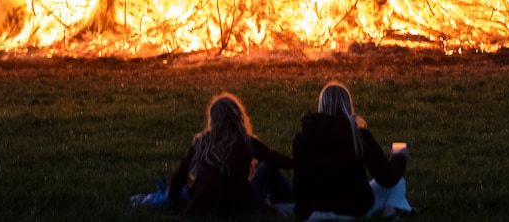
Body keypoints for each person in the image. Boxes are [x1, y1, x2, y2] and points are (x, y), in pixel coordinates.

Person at [144, 93, 294, 217]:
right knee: (267, 166)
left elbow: (181, 172)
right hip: (240, 209)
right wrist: (300, 161)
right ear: (238, 118)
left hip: (202, 207)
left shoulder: (202, 142)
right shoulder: (245, 141)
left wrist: (172, 196)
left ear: (213, 119)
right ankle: (295, 200)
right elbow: (276, 159)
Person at [293, 82, 410, 220]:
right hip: (354, 210)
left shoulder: (302, 138)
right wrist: (399, 157)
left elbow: (300, 183)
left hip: (313, 213)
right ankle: (390, 213)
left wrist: (301, 212)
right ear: (348, 105)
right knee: (398, 182)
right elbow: (387, 178)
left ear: (321, 105)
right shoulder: (359, 135)